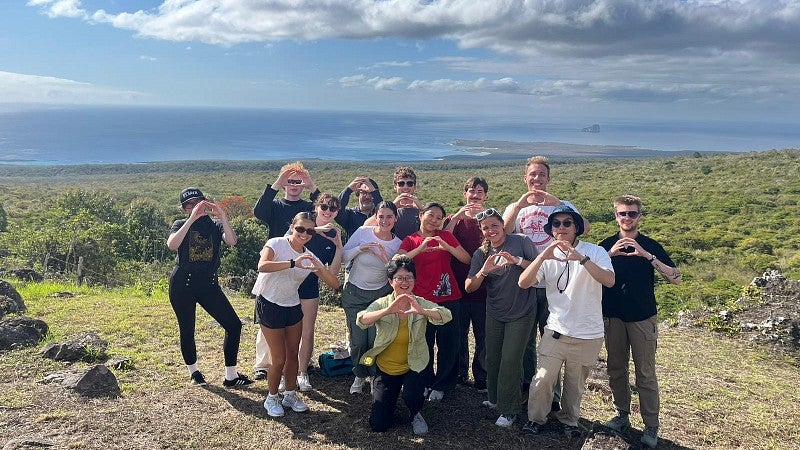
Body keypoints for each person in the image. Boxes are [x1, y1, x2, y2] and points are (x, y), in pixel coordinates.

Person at [518, 205, 614, 438]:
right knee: (542, 379)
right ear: (551, 229)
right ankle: (536, 418)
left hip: (588, 333)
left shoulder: (596, 251)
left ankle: (569, 420)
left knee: (574, 384)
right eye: (556, 224)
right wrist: (542, 256)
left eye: (567, 223)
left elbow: (609, 280)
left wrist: (581, 258)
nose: (561, 228)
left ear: (576, 228)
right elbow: (524, 282)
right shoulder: (548, 256)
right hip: (556, 330)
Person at [502, 155, 588, 406]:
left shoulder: (563, 206)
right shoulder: (516, 206)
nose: (537, 179)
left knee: (553, 339)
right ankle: (531, 387)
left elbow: (587, 228)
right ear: (525, 178)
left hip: (556, 283)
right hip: (526, 281)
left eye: (542, 174)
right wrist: (518, 206)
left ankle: (553, 395)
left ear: (549, 179)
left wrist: (558, 203)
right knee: (526, 340)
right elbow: (505, 231)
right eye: (533, 174)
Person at [600, 195, 682, 449]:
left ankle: (651, 425)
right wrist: (609, 254)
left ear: (639, 217)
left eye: (632, 214)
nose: (627, 218)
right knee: (616, 368)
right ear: (616, 216)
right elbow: (587, 273)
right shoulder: (605, 246)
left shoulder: (650, 245)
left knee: (645, 373)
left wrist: (647, 256)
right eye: (622, 213)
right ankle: (622, 414)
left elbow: (676, 278)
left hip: (642, 317)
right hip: (613, 316)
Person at [252, 212, 341, 418]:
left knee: (293, 354)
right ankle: (272, 397)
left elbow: (334, 284)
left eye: (310, 231)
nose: (305, 234)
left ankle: (290, 395)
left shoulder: (309, 255)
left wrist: (319, 265)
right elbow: (262, 266)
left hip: (292, 305)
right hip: (269, 303)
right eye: (300, 229)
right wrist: (294, 263)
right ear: (292, 226)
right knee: (279, 358)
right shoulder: (277, 243)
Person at [166, 188, 253, 388]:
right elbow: (172, 244)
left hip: (208, 284)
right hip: (183, 283)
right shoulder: (180, 224)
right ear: (184, 208)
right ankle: (194, 372)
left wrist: (222, 215)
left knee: (233, 325)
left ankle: (231, 376)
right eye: (190, 204)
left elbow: (231, 241)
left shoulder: (215, 225)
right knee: (187, 328)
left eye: (199, 202)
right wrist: (191, 219)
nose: (196, 206)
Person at [356, 256, 452, 435]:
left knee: (412, 395)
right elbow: (362, 319)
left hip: (413, 365)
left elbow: (446, 315)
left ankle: (415, 412)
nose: (404, 282)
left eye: (409, 277)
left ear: (414, 280)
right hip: (386, 368)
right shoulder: (383, 302)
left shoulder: (420, 302)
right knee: (378, 425)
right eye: (399, 278)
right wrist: (387, 311)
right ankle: (388, 399)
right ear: (390, 281)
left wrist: (422, 311)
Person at [464, 208, 538, 428]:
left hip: (522, 310)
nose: (490, 231)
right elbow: (469, 287)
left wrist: (516, 260)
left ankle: (510, 409)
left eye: (494, 225)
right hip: (495, 311)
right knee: (493, 357)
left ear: (502, 225)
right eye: (485, 228)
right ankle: (496, 399)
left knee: (511, 360)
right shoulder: (481, 254)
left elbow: (539, 269)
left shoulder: (520, 241)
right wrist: (484, 271)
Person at [251, 161, 319, 380]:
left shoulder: (309, 210)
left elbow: (326, 208)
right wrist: (277, 183)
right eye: (290, 181)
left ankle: (300, 364)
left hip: (302, 270)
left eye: (298, 181)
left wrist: (312, 185)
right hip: (277, 270)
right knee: (269, 320)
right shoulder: (276, 207)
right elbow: (259, 211)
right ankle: (263, 364)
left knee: (299, 322)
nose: (294, 185)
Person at [398, 202, 471, 401]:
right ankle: (425, 381)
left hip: (449, 297)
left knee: (449, 343)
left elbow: (466, 259)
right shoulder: (411, 239)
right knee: (424, 342)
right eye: (431, 215)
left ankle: (444, 384)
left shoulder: (446, 236)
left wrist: (447, 246)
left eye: (439, 218)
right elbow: (398, 261)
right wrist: (420, 248)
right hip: (421, 299)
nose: (434, 220)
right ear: (421, 215)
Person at [342, 201, 402, 394]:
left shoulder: (397, 244)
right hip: (355, 293)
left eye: (389, 217)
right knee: (359, 341)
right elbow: (344, 257)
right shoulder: (362, 232)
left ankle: (374, 374)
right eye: (381, 216)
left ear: (395, 219)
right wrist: (361, 248)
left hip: (380, 295)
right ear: (375, 216)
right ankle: (359, 374)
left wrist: (386, 259)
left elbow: (395, 275)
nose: (384, 221)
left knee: (375, 341)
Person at [293, 193, 344, 392]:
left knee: (307, 331)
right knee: (285, 332)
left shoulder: (333, 236)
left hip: (309, 287)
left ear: (337, 212)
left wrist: (339, 247)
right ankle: (283, 372)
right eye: (324, 207)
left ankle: (302, 372)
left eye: (333, 209)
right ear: (316, 207)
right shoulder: (303, 223)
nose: (327, 211)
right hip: (287, 285)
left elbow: (332, 274)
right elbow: (287, 241)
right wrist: (314, 230)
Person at [443, 177, 489, 393]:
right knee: (459, 334)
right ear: (465, 194)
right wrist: (457, 218)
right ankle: (460, 373)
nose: (475, 195)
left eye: (480, 192)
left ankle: (481, 375)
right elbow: (444, 239)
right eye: (472, 191)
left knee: (483, 336)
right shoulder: (455, 219)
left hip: (484, 287)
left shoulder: (489, 218)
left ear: (485, 195)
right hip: (457, 287)